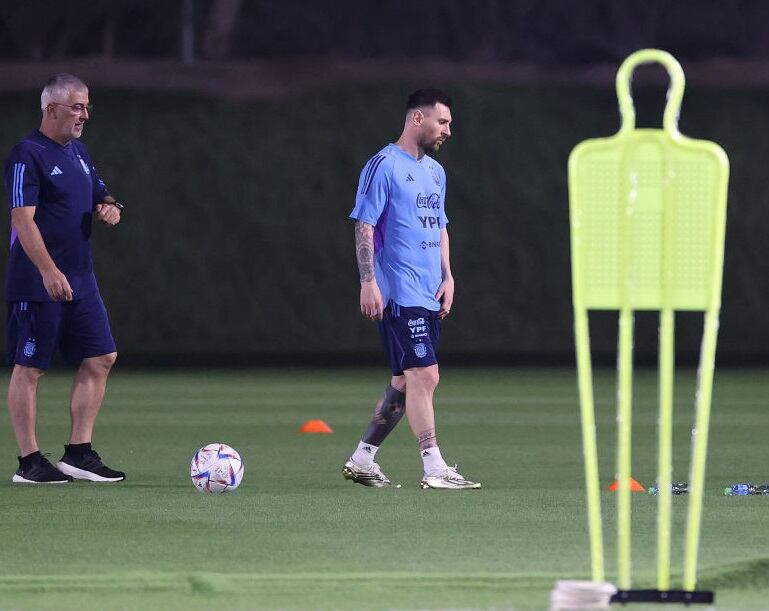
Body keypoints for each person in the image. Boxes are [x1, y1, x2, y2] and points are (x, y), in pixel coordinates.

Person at [342, 89, 480, 490]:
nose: (448, 130)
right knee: (426, 374)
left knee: (404, 381)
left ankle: (362, 458)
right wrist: (368, 281)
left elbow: (439, 227)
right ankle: (433, 467)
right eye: (443, 122)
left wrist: (448, 276)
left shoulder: (435, 172)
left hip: (428, 291)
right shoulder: (382, 166)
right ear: (418, 119)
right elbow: (364, 225)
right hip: (397, 292)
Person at [4, 73, 125, 484]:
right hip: (37, 279)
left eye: (87, 106)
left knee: (101, 357)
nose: (84, 115)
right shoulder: (27, 154)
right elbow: (22, 218)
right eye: (77, 106)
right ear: (51, 109)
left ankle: (78, 454)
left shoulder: (80, 153)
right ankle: (29, 462)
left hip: (81, 277)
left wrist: (111, 208)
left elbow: (101, 195)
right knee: (30, 367)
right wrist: (47, 270)